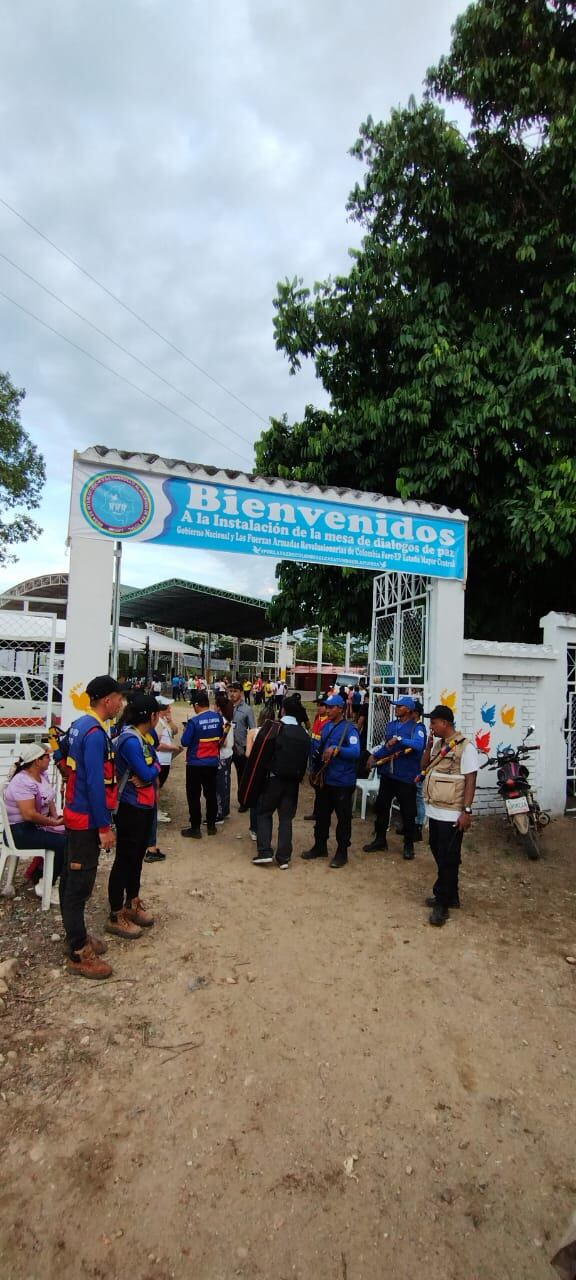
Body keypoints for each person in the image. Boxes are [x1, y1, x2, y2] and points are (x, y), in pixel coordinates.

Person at [61, 674, 126, 980]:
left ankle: (77, 938)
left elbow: (62, 757)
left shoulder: (78, 725)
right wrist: (104, 826)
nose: (121, 704)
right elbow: (95, 785)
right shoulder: (95, 734)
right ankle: (77, 952)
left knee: (73, 879)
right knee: (79, 885)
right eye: (118, 698)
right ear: (106, 700)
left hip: (78, 813)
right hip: (86, 819)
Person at [419, 704, 478, 926]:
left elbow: (471, 779)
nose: (431, 727)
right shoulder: (436, 745)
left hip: (452, 814)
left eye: (433, 723)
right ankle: (451, 895)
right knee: (438, 851)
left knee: (448, 858)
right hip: (435, 810)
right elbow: (423, 767)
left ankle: (442, 904)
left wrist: (467, 811)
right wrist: (427, 748)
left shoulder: (466, 748)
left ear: (445, 723)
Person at [108, 694, 161, 937]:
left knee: (137, 856)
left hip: (145, 805)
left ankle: (133, 901)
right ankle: (116, 912)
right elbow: (146, 772)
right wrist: (151, 771)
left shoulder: (143, 738)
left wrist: (151, 770)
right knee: (125, 859)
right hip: (130, 807)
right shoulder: (130, 740)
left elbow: (155, 766)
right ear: (151, 716)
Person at [362, 695, 426, 861]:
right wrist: (375, 756)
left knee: (408, 812)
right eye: (396, 706)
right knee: (382, 807)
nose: (396, 708)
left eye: (400, 706)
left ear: (409, 709)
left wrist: (399, 739)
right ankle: (380, 839)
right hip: (388, 774)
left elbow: (419, 745)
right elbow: (387, 747)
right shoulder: (391, 725)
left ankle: (408, 845)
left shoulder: (416, 728)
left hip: (406, 776)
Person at [302, 694, 360, 869]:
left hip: (342, 782)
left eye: (331, 707)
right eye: (326, 707)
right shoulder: (326, 727)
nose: (327, 710)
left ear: (340, 709)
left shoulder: (350, 729)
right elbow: (319, 751)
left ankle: (342, 852)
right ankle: (320, 846)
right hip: (325, 781)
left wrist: (338, 749)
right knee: (321, 817)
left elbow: (356, 752)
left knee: (343, 820)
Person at [4, 744, 66, 905]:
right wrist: (53, 822)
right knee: (63, 843)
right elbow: (29, 814)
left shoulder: (42, 775)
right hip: (19, 831)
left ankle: (39, 874)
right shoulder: (22, 781)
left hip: (35, 825)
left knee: (71, 833)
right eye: (46, 756)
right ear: (36, 761)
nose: (49, 758)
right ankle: (45, 883)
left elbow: (49, 798)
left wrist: (55, 817)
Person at [181, 690, 224, 837]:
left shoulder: (194, 722)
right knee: (210, 794)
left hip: (195, 763)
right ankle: (211, 826)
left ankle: (195, 828)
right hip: (212, 762)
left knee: (193, 796)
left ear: (197, 705)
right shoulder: (218, 718)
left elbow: (184, 742)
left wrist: (186, 729)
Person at [145, 698, 183, 863]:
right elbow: (158, 745)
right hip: (160, 760)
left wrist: (171, 720)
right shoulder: (156, 725)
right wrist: (174, 748)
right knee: (156, 788)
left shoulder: (164, 721)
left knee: (159, 786)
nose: (170, 709)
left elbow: (174, 731)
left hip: (165, 761)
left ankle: (157, 810)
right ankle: (156, 812)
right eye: (168, 707)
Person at [303, 695, 330, 821]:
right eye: (318, 705)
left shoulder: (329, 721)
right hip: (313, 754)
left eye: (321, 705)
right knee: (316, 785)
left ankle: (321, 813)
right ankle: (317, 812)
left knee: (322, 786)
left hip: (322, 758)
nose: (318, 707)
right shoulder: (317, 717)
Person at [230, 681, 255, 806]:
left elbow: (253, 729)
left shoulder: (247, 710)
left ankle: (243, 801)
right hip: (227, 747)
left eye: (235, 691)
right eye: (231, 691)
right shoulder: (226, 707)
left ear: (241, 692)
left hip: (241, 748)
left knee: (242, 776)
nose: (232, 694)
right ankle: (222, 803)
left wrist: (249, 749)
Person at [214, 691, 234, 821]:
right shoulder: (227, 719)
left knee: (219, 785)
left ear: (218, 706)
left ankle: (219, 813)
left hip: (222, 755)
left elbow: (223, 741)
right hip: (228, 754)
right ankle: (225, 810)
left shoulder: (221, 720)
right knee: (226, 783)